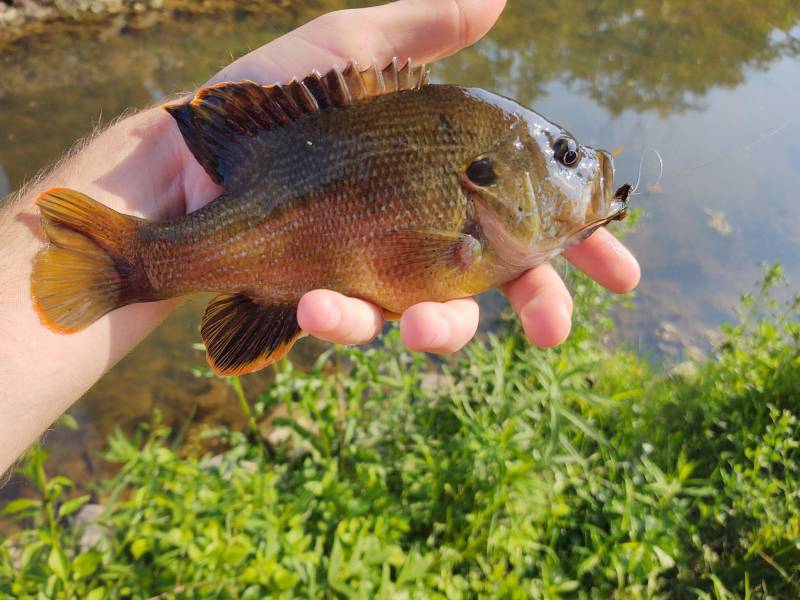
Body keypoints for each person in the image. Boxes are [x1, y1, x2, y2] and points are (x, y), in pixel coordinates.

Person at [0, 0, 639, 476]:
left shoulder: (486, 196)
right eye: (565, 156)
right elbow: (417, 264)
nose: (583, 168)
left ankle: (127, 266)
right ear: (488, 177)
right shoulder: (480, 204)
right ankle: (131, 266)